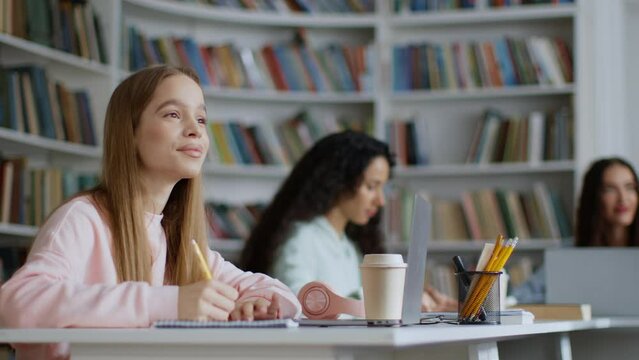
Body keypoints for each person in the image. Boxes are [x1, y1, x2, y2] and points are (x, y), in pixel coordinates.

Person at [0, 65, 301, 360]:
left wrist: (254, 302)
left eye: (201, 118)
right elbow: (17, 304)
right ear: (129, 133)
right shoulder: (82, 219)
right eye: (173, 114)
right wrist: (169, 303)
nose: (195, 130)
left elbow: (279, 294)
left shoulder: (179, 239)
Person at [240, 130, 456, 312]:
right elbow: (300, 307)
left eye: (382, 188)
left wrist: (409, 299)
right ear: (338, 181)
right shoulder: (301, 239)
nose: (380, 201)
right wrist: (389, 299)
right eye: (371, 187)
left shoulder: (348, 246)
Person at [511, 156, 639, 303]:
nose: (623, 198)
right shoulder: (569, 254)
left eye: (630, 187)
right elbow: (520, 296)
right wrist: (565, 298)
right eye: (610, 189)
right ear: (594, 197)